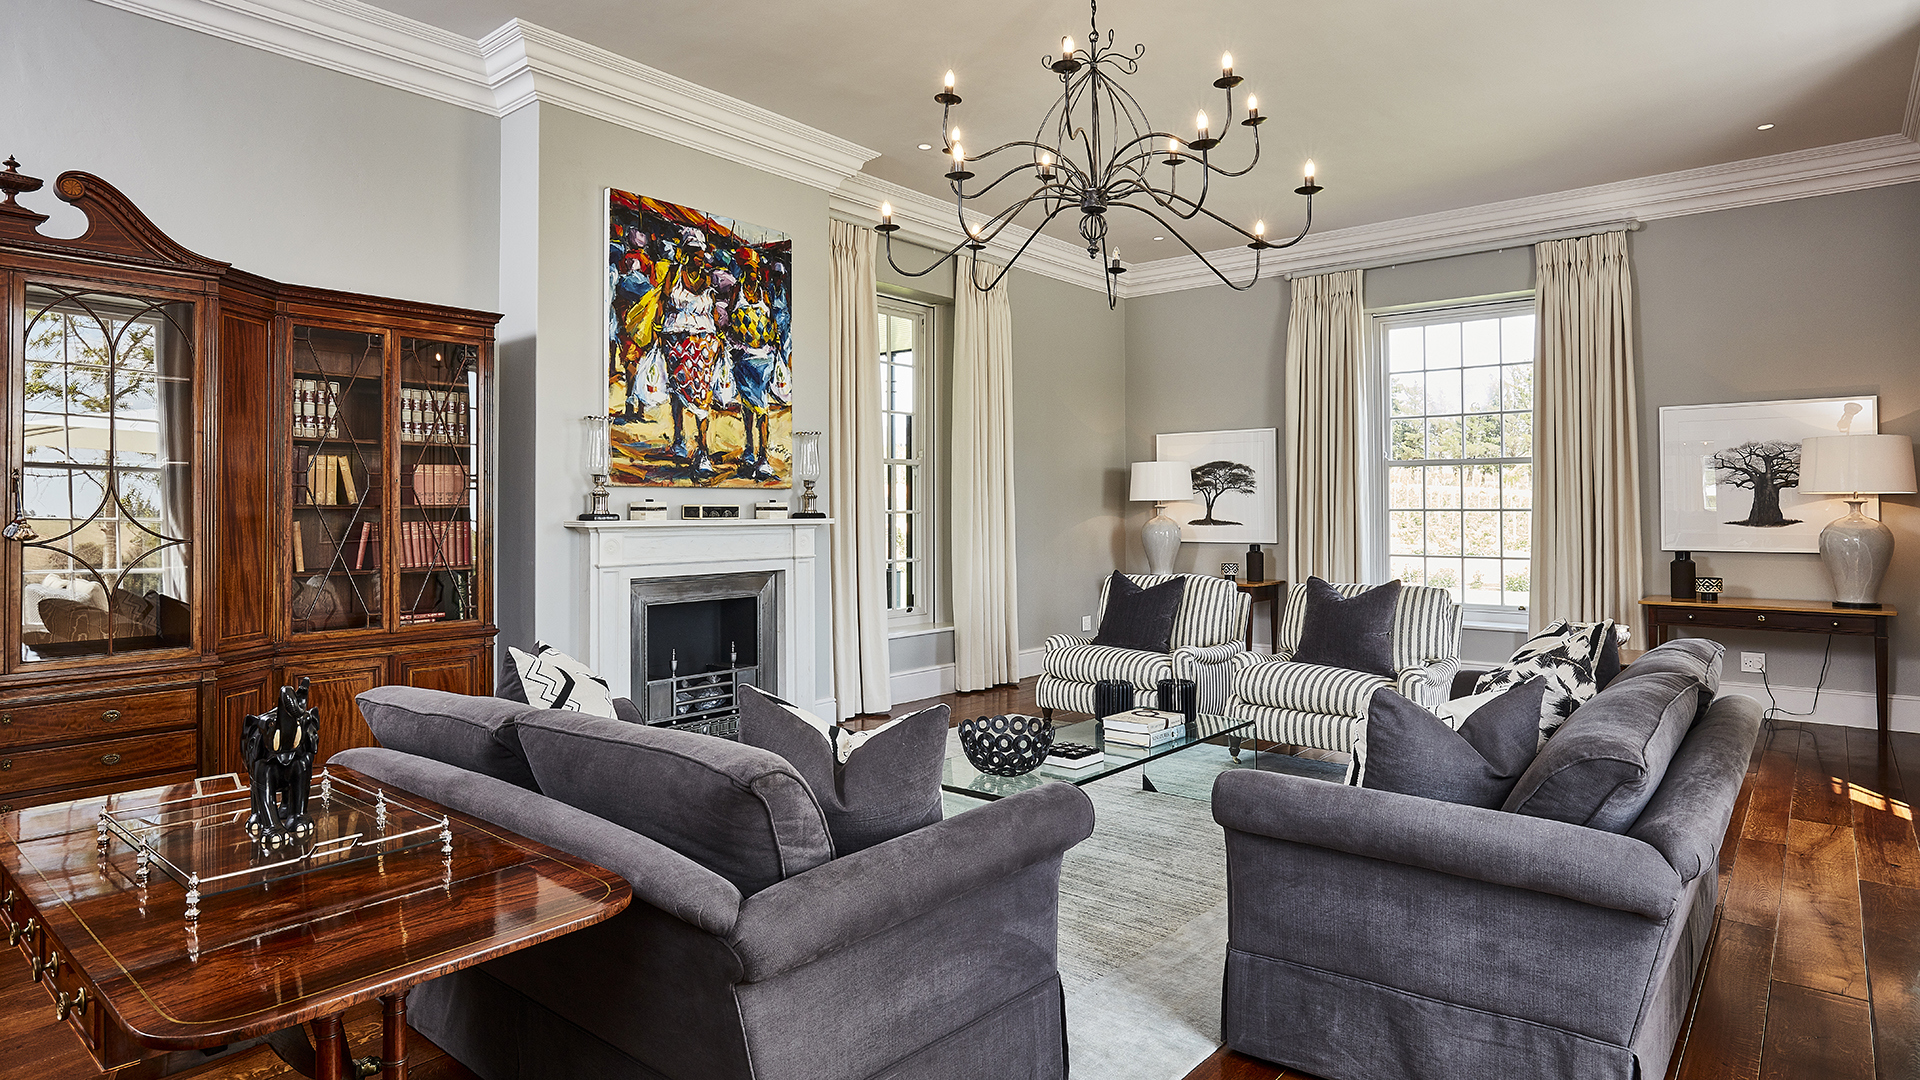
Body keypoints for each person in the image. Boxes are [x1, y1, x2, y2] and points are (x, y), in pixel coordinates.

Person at [658, 227, 730, 477]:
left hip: (704, 342)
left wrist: (718, 337)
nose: (700, 258)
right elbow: (663, 302)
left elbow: (711, 312)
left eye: (701, 254)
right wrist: (658, 332)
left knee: (702, 396)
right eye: (696, 254)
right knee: (678, 392)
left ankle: (703, 451)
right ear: (687, 254)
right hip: (676, 340)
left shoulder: (709, 279)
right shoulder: (674, 274)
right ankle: (679, 439)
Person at [729, 254, 782, 481]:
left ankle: (763, 456)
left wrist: (775, 342)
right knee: (749, 409)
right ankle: (751, 451)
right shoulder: (736, 292)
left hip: (763, 359)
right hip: (744, 358)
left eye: (756, 269)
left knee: (762, 410)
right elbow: (729, 320)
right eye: (750, 269)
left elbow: (772, 321)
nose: (754, 273)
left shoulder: (764, 294)